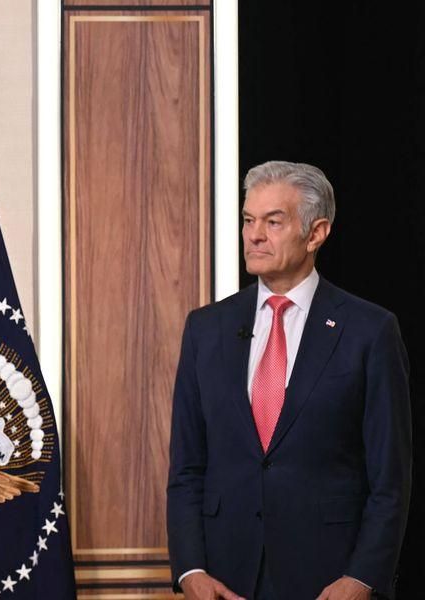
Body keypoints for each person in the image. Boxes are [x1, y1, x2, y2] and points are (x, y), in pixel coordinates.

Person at [167, 161, 411, 599]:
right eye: (248, 220)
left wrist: (362, 578)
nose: (253, 234)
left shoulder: (369, 331)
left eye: (273, 222)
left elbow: (390, 478)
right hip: (225, 577)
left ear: (315, 233)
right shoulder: (206, 329)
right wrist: (191, 571)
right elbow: (187, 468)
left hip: (327, 577)